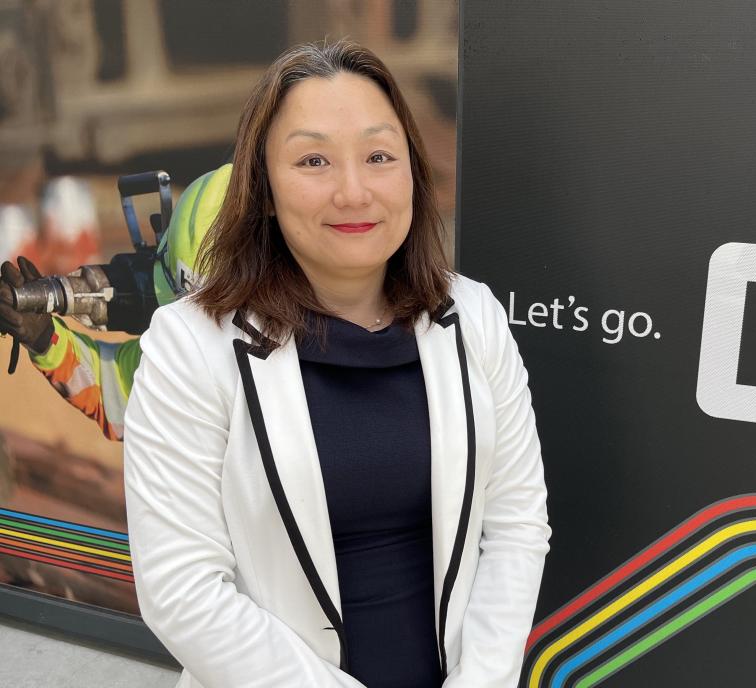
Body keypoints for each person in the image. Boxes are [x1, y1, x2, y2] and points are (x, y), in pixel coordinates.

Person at [122, 40, 551, 688]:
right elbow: (181, 590)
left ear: (413, 171)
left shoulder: (475, 316)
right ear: (262, 189)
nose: (354, 191)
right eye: (314, 160)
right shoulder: (189, 348)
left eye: (379, 156)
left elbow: (517, 525)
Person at [0, 164, 231, 441]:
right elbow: (116, 388)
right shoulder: (193, 362)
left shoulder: (282, 384)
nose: (194, 332)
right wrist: (46, 339)